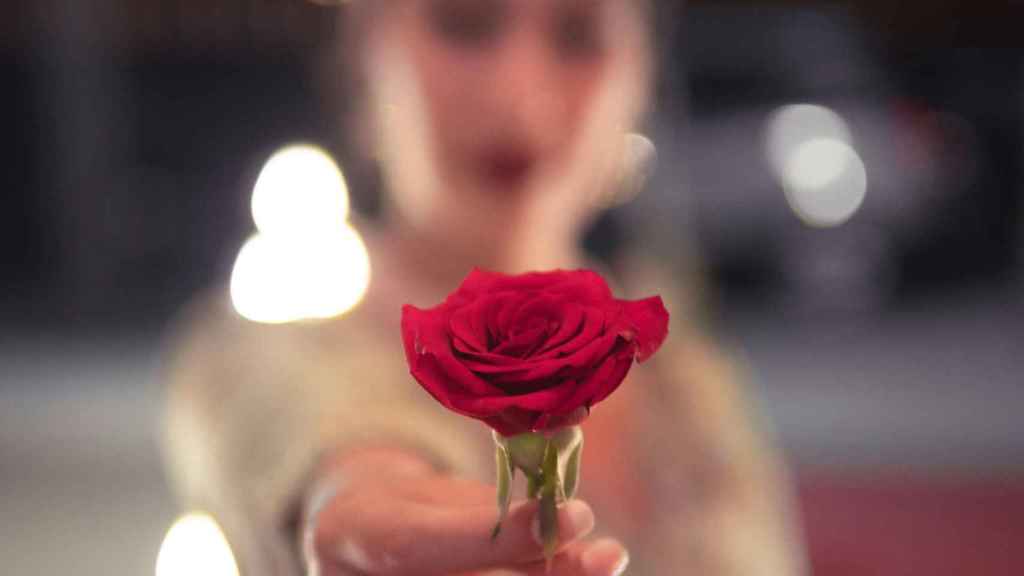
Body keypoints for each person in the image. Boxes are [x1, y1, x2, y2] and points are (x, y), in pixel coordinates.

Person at [163, 0, 806, 574]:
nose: (517, 92)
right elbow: (303, 426)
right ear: (367, 55)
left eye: (578, 36)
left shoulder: (692, 382)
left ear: (639, 77)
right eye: (464, 25)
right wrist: (357, 487)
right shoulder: (269, 344)